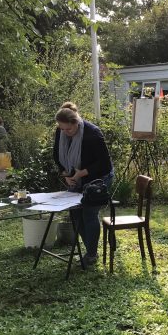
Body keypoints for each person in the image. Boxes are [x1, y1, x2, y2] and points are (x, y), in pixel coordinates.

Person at [52, 102, 113, 264]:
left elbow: (104, 164)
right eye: (62, 129)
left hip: (99, 177)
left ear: (76, 123)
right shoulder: (61, 131)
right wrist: (66, 174)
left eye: (68, 129)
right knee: (75, 213)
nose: (65, 132)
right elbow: (56, 156)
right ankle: (90, 249)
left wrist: (81, 173)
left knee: (88, 213)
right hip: (76, 177)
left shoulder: (93, 134)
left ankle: (91, 255)